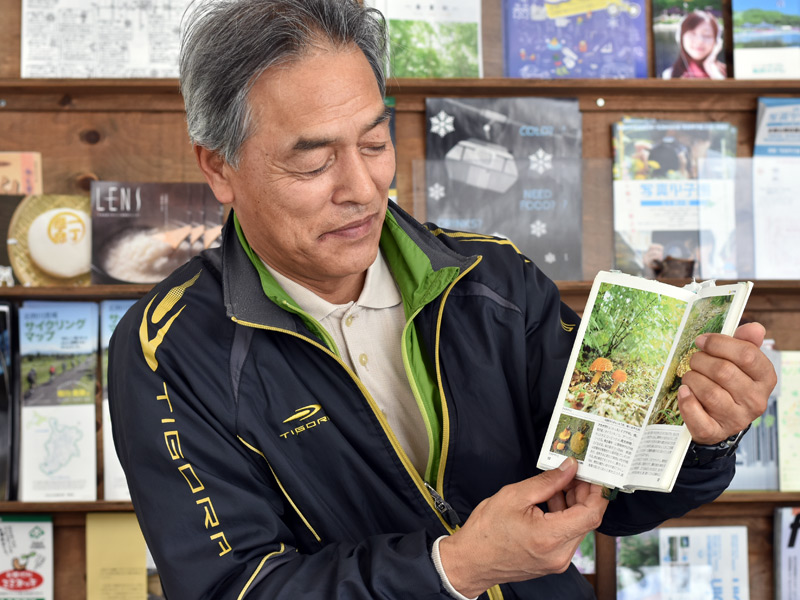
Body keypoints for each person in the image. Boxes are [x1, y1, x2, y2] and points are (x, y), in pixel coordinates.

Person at [107, 1, 775, 598]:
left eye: (374, 142)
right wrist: (451, 569)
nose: (362, 188)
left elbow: (615, 497)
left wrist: (706, 434)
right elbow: (231, 586)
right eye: (314, 162)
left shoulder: (493, 279)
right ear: (219, 167)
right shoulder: (168, 349)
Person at [662, 10, 726, 80]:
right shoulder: (669, 75)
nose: (699, 41)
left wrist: (711, 68)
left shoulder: (725, 72)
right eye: (692, 33)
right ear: (680, 37)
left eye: (707, 35)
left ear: (717, 41)